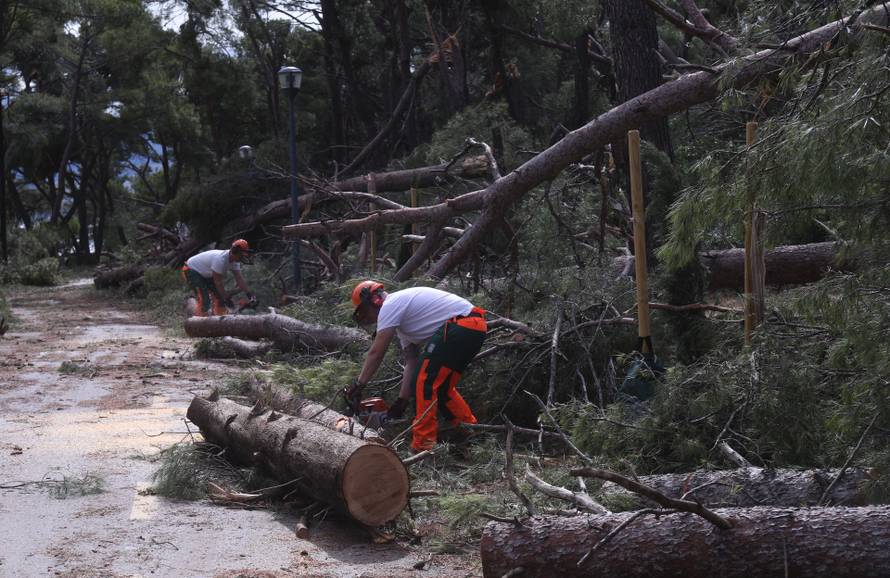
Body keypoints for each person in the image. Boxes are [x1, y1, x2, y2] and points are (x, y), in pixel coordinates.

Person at [348, 281, 487, 452]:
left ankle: (423, 446)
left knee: (425, 382)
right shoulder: (401, 321)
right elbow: (411, 361)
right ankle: (471, 432)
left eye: (364, 312)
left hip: (460, 325)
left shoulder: (390, 305)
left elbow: (376, 352)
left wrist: (359, 384)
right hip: (474, 327)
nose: (367, 318)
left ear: (374, 300)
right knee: (442, 388)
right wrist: (402, 401)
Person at [182, 239, 255, 317]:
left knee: (219, 297)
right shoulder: (221, 259)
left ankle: (220, 317)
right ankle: (199, 321)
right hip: (191, 270)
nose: (242, 257)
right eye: (241, 255)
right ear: (235, 251)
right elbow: (218, 282)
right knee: (204, 297)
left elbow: (239, 279)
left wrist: (250, 295)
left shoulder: (235, 261)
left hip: (206, 273)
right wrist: (226, 298)